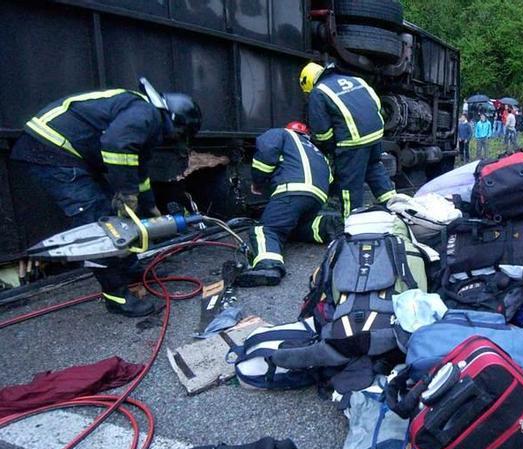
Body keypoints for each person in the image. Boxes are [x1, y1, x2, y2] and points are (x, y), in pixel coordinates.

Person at [9, 81, 201, 316]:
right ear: (174, 120)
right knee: (99, 223)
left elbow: (139, 169)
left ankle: (130, 269)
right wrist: (127, 194)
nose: (172, 139)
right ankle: (116, 295)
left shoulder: (144, 121)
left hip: (69, 155)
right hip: (51, 152)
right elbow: (116, 146)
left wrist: (149, 205)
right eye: (178, 134)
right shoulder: (146, 112)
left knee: (115, 219)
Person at [237, 122, 336, 287]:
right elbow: (330, 179)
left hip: (292, 190)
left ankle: (269, 266)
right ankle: (326, 227)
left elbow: (266, 154)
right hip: (317, 197)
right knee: (291, 226)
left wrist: (258, 182)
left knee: (266, 229)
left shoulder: (281, 133)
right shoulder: (317, 152)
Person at [299, 62, 396, 218]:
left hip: (352, 143)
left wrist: (331, 150)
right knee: (375, 168)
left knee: (350, 186)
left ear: (308, 82)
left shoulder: (318, 92)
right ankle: (395, 208)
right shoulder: (356, 80)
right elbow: (376, 103)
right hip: (375, 135)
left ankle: (351, 223)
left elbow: (322, 131)